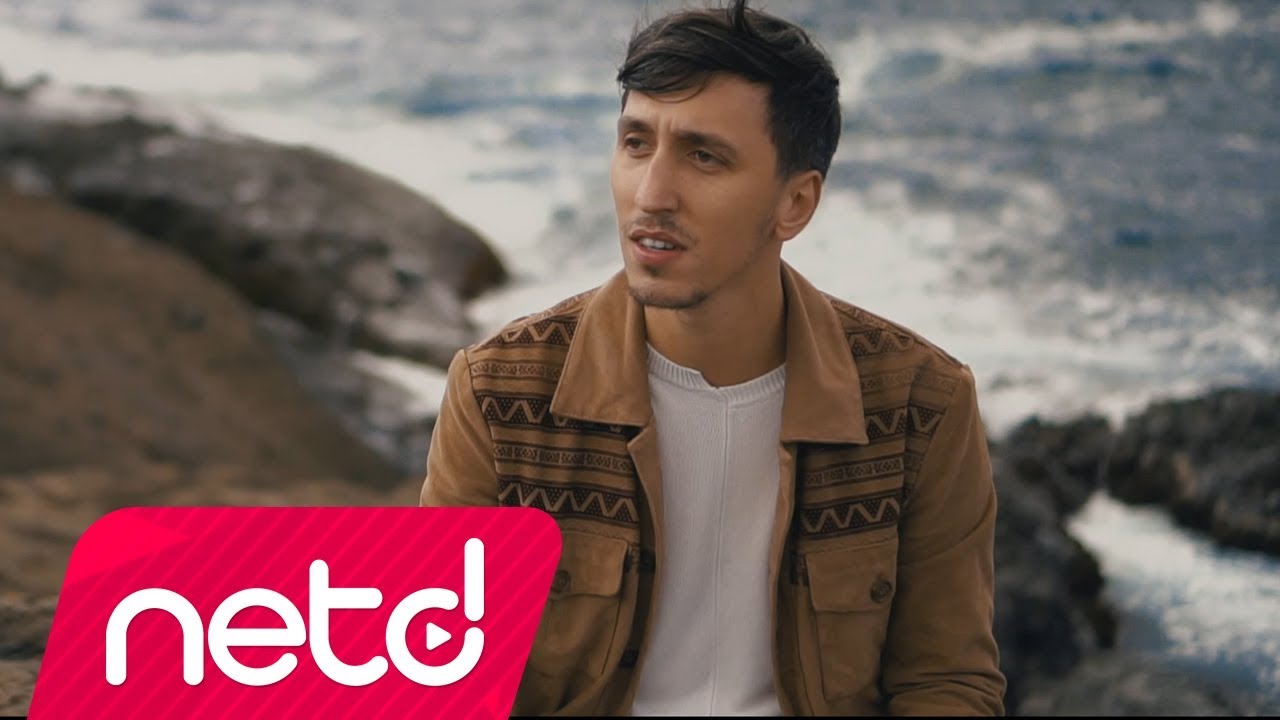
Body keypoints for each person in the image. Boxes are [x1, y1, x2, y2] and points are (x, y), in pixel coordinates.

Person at [420, 0, 1006, 715]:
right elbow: (444, 679)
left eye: (704, 156)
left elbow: (946, 682)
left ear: (795, 203)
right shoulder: (499, 393)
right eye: (636, 143)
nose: (652, 194)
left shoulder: (920, 404)